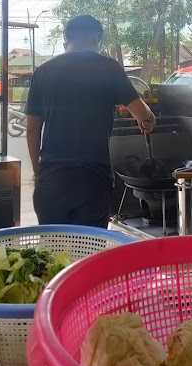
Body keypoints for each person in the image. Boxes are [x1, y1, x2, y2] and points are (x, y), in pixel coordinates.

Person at [26, 15, 156, 227]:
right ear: (96, 39)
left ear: (66, 40)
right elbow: (143, 116)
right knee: (90, 250)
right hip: (92, 180)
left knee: (52, 253)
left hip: (52, 179)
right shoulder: (109, 68)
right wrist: (149, 119)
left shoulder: (43, 72)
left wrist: (38, 173)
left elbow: (32, 130)